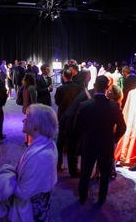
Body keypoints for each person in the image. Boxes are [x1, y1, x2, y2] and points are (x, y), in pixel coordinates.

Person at [0, 104, 58, 222]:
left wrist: (5, 180)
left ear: (36, 126)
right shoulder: (43, 145)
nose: (23, 121)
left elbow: (23, 191)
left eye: (27, 118)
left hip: (33, 205)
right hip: (39, 201)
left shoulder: (41, 156)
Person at [73, 75, 126, 205]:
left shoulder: (84, 105)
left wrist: (82, 138)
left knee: (85, 172)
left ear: (95, 86)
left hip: (89, 143)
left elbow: (76, 128)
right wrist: (113, 139)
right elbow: (122, 128)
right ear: (107, 87)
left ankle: (83, 197)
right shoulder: (114, 106)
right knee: (105, 174)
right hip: (106, 144)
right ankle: (102, 198)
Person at [54, 68, 81, 171]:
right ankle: (73, 168)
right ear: (71, 76)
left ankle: (58, 164)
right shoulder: (78, 88)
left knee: (60, 142)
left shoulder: (60, 89)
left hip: (63, 117)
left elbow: (57, 102)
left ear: (63, 76)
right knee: (73, 143)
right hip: (74, 117)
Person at [22, 73, 37, 146]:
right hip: (31, 109)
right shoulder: (32, 88)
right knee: (31, 126)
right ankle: (30, 142)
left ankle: (26, 140)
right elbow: (33, 101)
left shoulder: (24, 87)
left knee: (26, 124)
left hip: (25, 108)